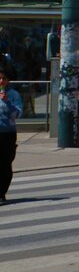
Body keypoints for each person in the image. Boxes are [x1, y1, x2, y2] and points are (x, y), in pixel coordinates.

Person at [0, 64, 22, 205]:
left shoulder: (13, 95)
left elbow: (17, 114)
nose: (1, 81)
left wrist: (7, 102)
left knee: (5, 164)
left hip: (7, 134)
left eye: (4, 78)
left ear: (8, 80)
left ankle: (1, 192)